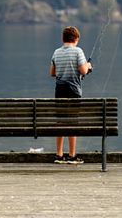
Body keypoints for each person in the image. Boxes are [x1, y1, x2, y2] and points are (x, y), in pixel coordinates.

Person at [49, 25, 92, 164]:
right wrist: (88, 66)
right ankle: (72, 155)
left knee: (60, 122)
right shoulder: (78, 51)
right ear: (76, 39)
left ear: (63, 38)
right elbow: (83, 70)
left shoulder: (56, 52)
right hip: (73, 92)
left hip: (59, 91)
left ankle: (59, 154)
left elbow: (52, 73)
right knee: (73, 122)